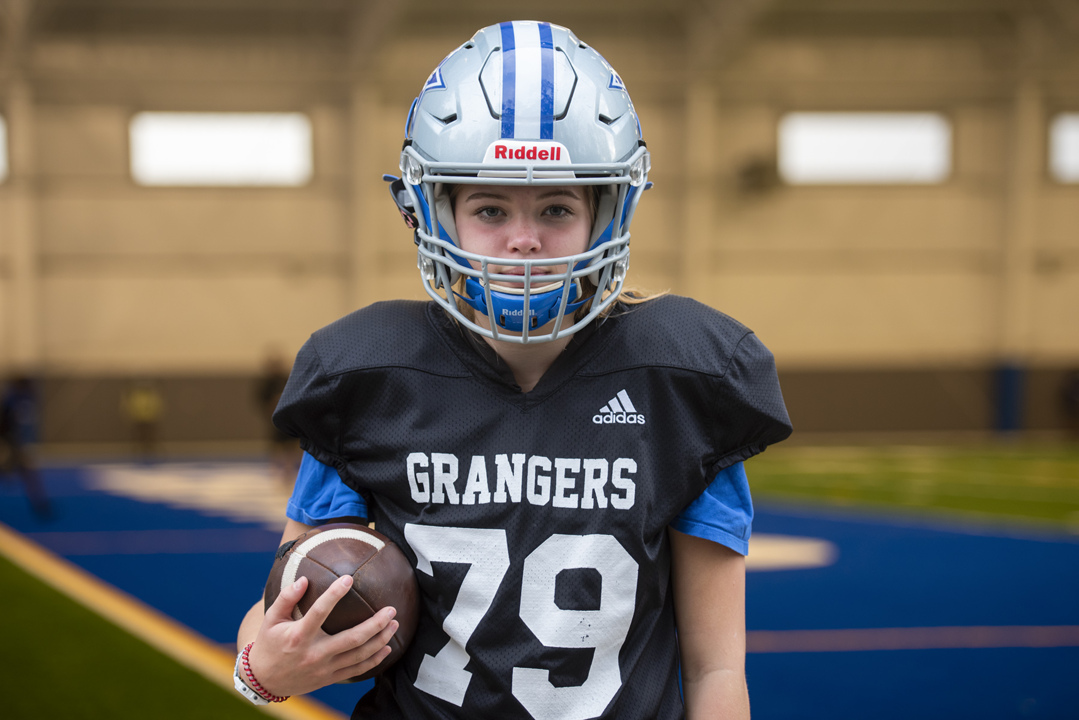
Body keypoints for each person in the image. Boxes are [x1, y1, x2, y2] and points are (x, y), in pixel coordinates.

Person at [235, 21, 791, 720]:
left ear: (607, 212)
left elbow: (713, 670)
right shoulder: (370, 376)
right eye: (489, 208)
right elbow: (273, 615)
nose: (523, 240)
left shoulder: (681, 379)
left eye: (556, 207)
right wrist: (264, 669)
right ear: (432, 215)